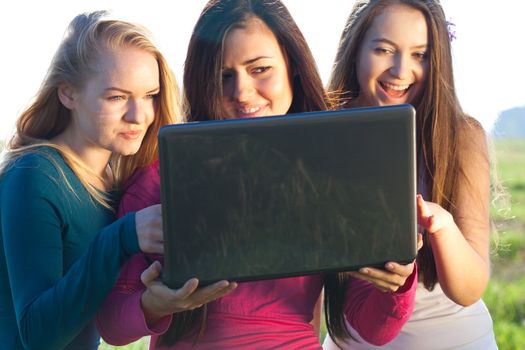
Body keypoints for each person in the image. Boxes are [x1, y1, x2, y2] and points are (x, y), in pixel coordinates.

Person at [96, 1, 420, 349]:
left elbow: (373, 329)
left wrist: (399, 284)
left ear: (292, 66)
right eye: (224, 76)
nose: (241, 92)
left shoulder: (333, 174)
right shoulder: (162, 180)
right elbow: (112, 327)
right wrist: (153, 305)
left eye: (260, 69)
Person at [0, 11, 182, 350]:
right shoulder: (35, 176)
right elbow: (37, 335)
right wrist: (123, 235)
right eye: (116, 97)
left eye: (150, 95)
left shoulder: (116, 182)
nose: (139, 115)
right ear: (68, 95)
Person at [322, 1, 497, 349]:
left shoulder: (459, 137)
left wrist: (442, 225)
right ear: (355, 49)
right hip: (353, 341)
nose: (401, 70)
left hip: (455, 340)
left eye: (420, 55)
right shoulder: (321, 130)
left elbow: (470, 288)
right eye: (385, 50)